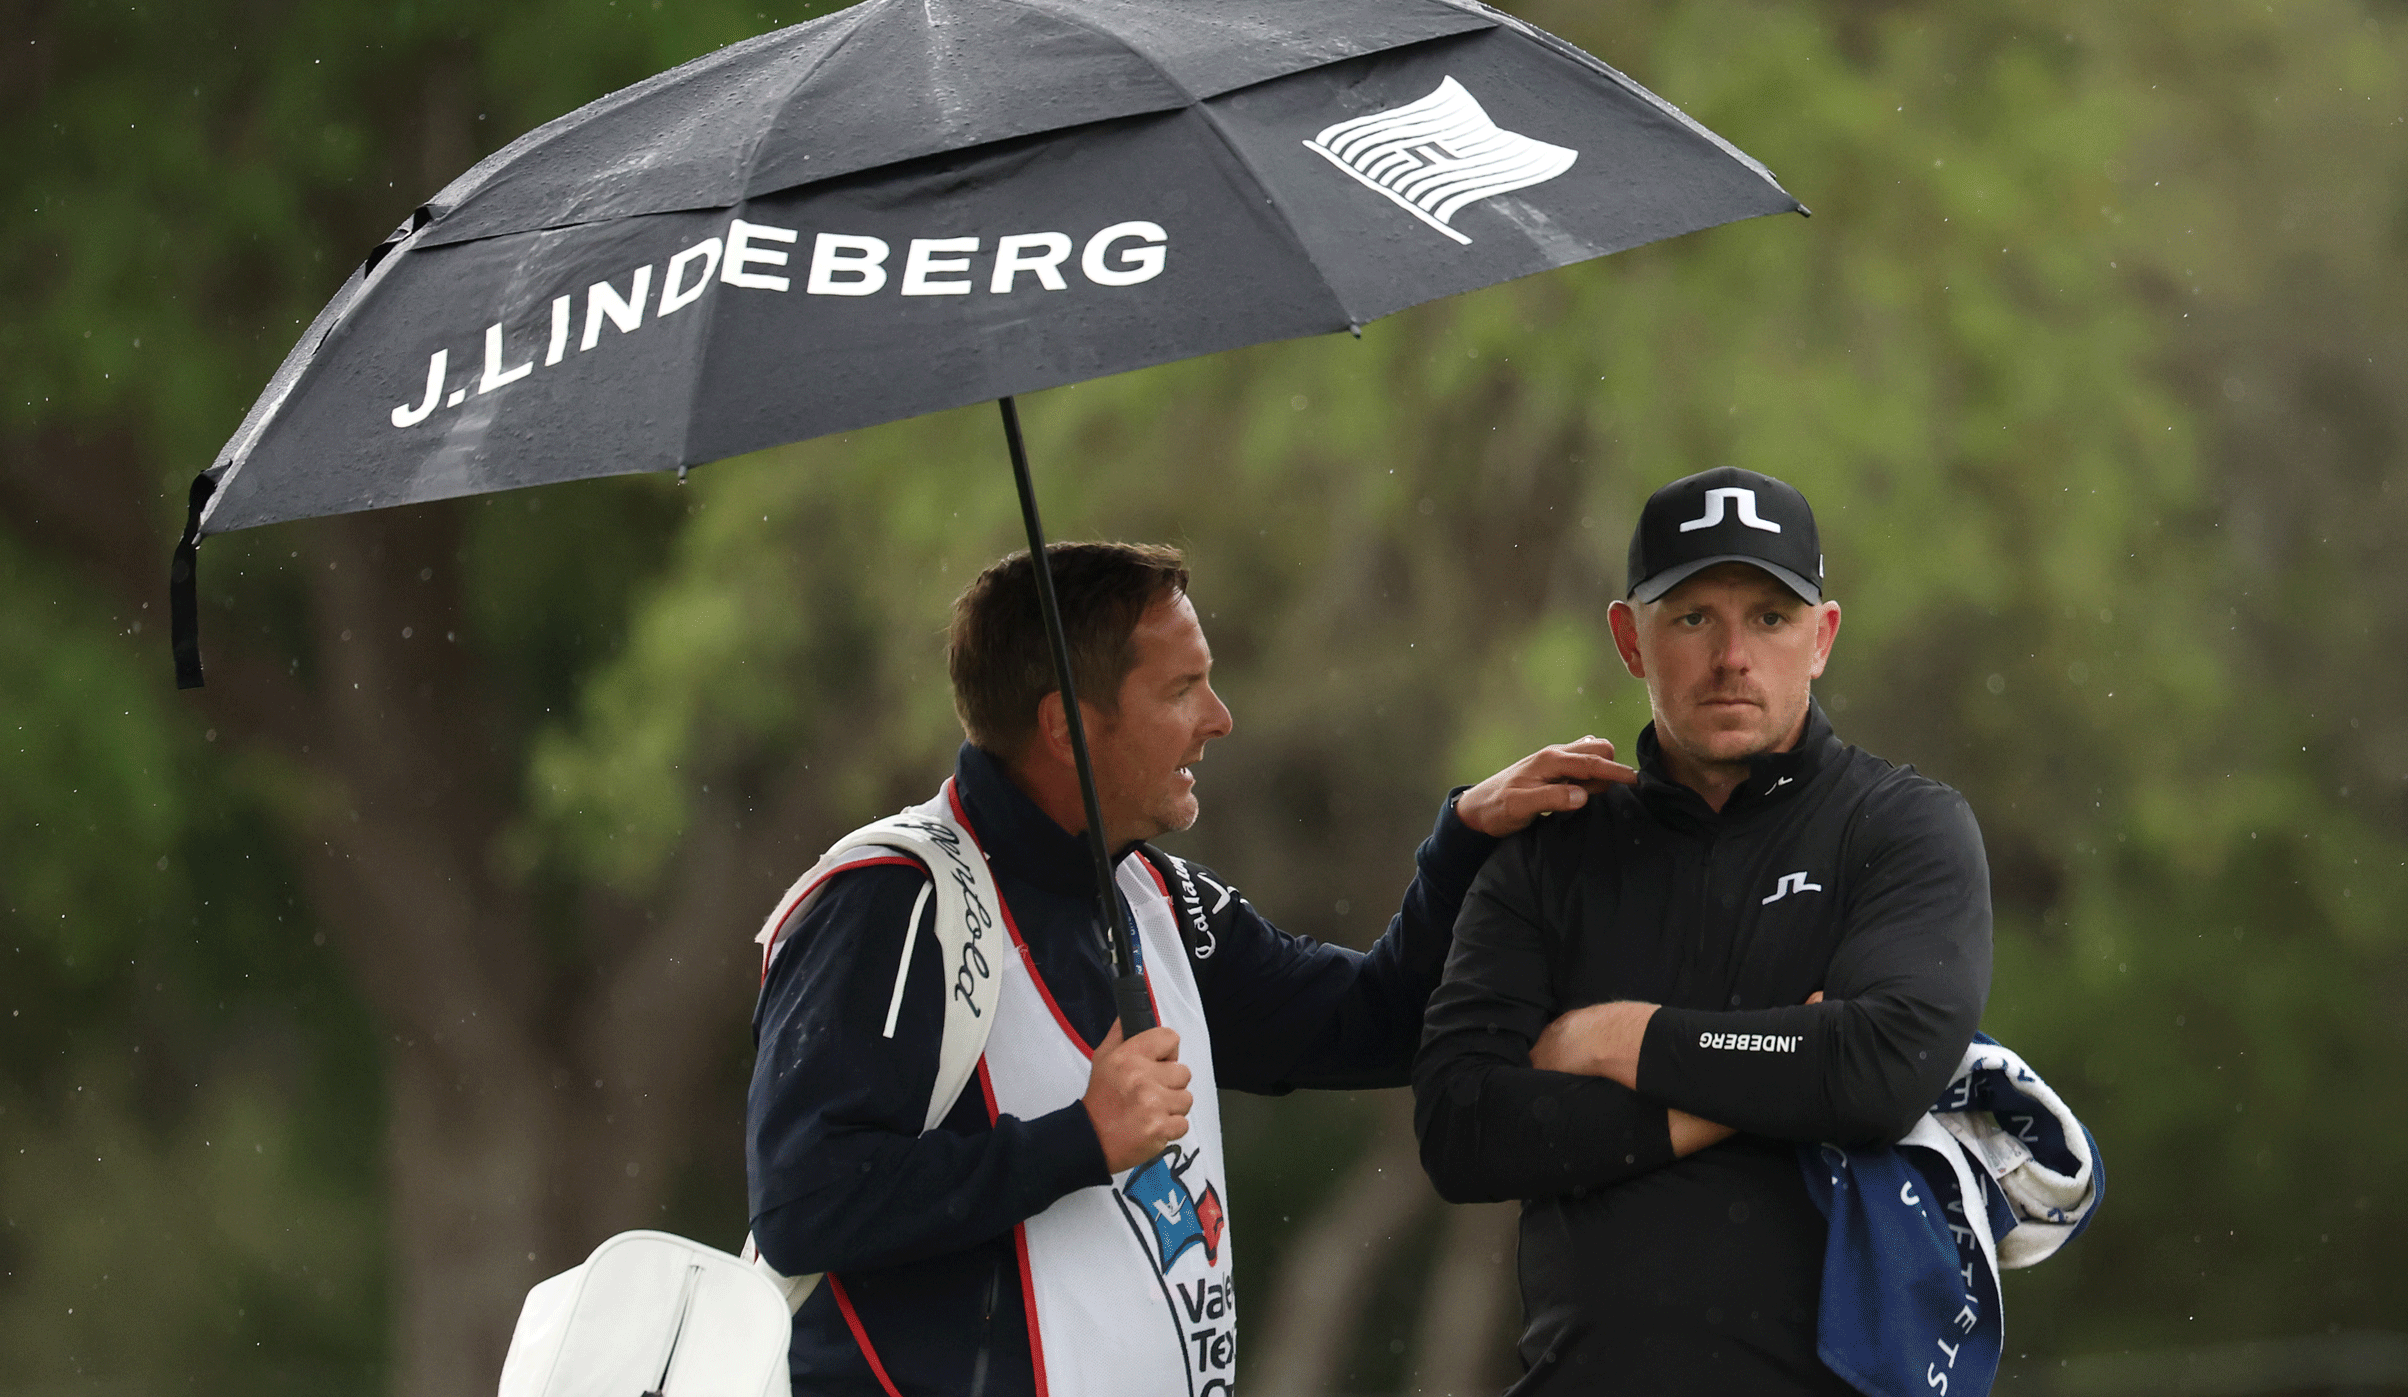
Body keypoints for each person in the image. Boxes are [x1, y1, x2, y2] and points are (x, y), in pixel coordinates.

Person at [746, 541, 1634, 1397]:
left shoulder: (1155, 894)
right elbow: (803, 1206)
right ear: (1064, 725)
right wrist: (1078, 1142)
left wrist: (1463, 843)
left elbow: (1376, 1024)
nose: (1220, 717)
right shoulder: (892, 899)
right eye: (1182, 689)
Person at [1411, 467, 1994, 1394]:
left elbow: (1880, 1069)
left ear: (1822, 638)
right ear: (1628, 639)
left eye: (1770, 617)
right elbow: (1463, 1128)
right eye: (1692, 618)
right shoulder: (1550, 851)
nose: (1733, 655)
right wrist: (1772, 1073)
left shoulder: (1903, 825)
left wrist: (1618, 1038)